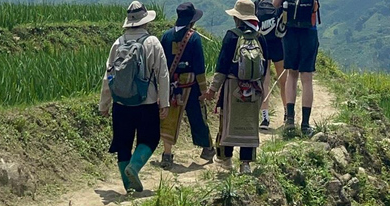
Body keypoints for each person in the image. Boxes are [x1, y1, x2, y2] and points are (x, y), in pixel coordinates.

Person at [99, 2, 170, 193]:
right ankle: (134, 167)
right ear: (145, 22)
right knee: (151, 137)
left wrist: (104, 104)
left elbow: (108, 76)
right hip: (146, 102)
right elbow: (163, 74)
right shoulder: (152, 42)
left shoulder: (118, 43)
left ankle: (128, 186)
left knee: (123, 143)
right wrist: (164, 102)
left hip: (121, 103)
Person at [204, 0, 269, 174]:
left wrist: (212, 89)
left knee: (227, 123)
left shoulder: (232, 36)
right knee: (250, 125)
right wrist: (261, 89)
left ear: (237, 19)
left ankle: (226, 160)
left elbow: (222, 66)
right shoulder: (260, 37)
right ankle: (246, 163)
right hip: (254, 89)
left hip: (233, 87)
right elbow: (265, 67)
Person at [158, 3, 216, 170]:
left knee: (169, 118)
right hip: (191, 85)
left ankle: (167, 154)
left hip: (170, 85)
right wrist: (204, 90)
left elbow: (162, 64)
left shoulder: (166, 36)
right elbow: (199, 67)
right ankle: (207, 148)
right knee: (197, 115)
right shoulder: (194, 38)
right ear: (192, 21)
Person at [274, 0, 319, 136]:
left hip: (290, 32)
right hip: (309, 32)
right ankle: (305, 125)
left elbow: (275, 4)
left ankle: (290, 121)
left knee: (291, 75)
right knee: (307, 78)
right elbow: (315, 7)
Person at [255, 0, 287, 130]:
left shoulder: (258, 2)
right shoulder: (281, 2)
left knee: (265, 81)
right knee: (283, 80)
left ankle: (265, 117)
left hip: (263, 43)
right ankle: (287, 113)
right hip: (279, 43)